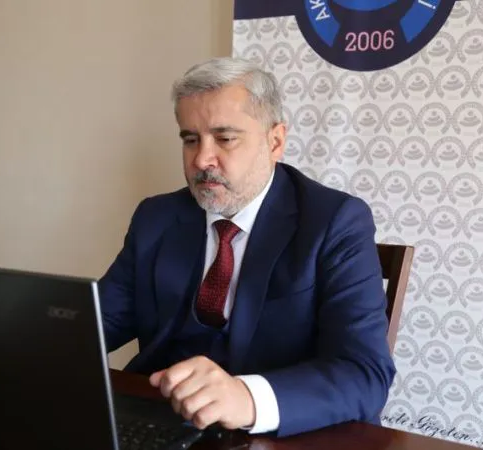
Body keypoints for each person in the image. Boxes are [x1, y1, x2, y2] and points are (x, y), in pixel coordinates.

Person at [98, 57, 396, 438]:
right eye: (190, 139)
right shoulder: (156, 218)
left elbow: (365, 373)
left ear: (275, 142)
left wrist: (247, 398)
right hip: (160, 424)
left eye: (225, 139)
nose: (202, 159)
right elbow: (96, 327)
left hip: (278, 435)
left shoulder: (335, 222)